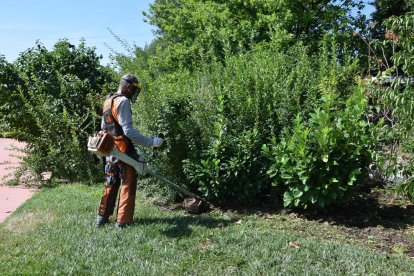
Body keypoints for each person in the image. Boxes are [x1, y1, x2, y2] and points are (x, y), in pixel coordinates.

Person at [96, 73, 164, 228]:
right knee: (128, 183)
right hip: (123, 151)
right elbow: (128, 132)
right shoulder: (123, 101)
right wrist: (151, 142)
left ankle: (102, 218)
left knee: (111, 182)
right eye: (133, 88)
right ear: (126, 86)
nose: (134, 92)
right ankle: (123, 222)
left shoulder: (108, 101)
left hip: (109, 150)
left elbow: (103, 128)